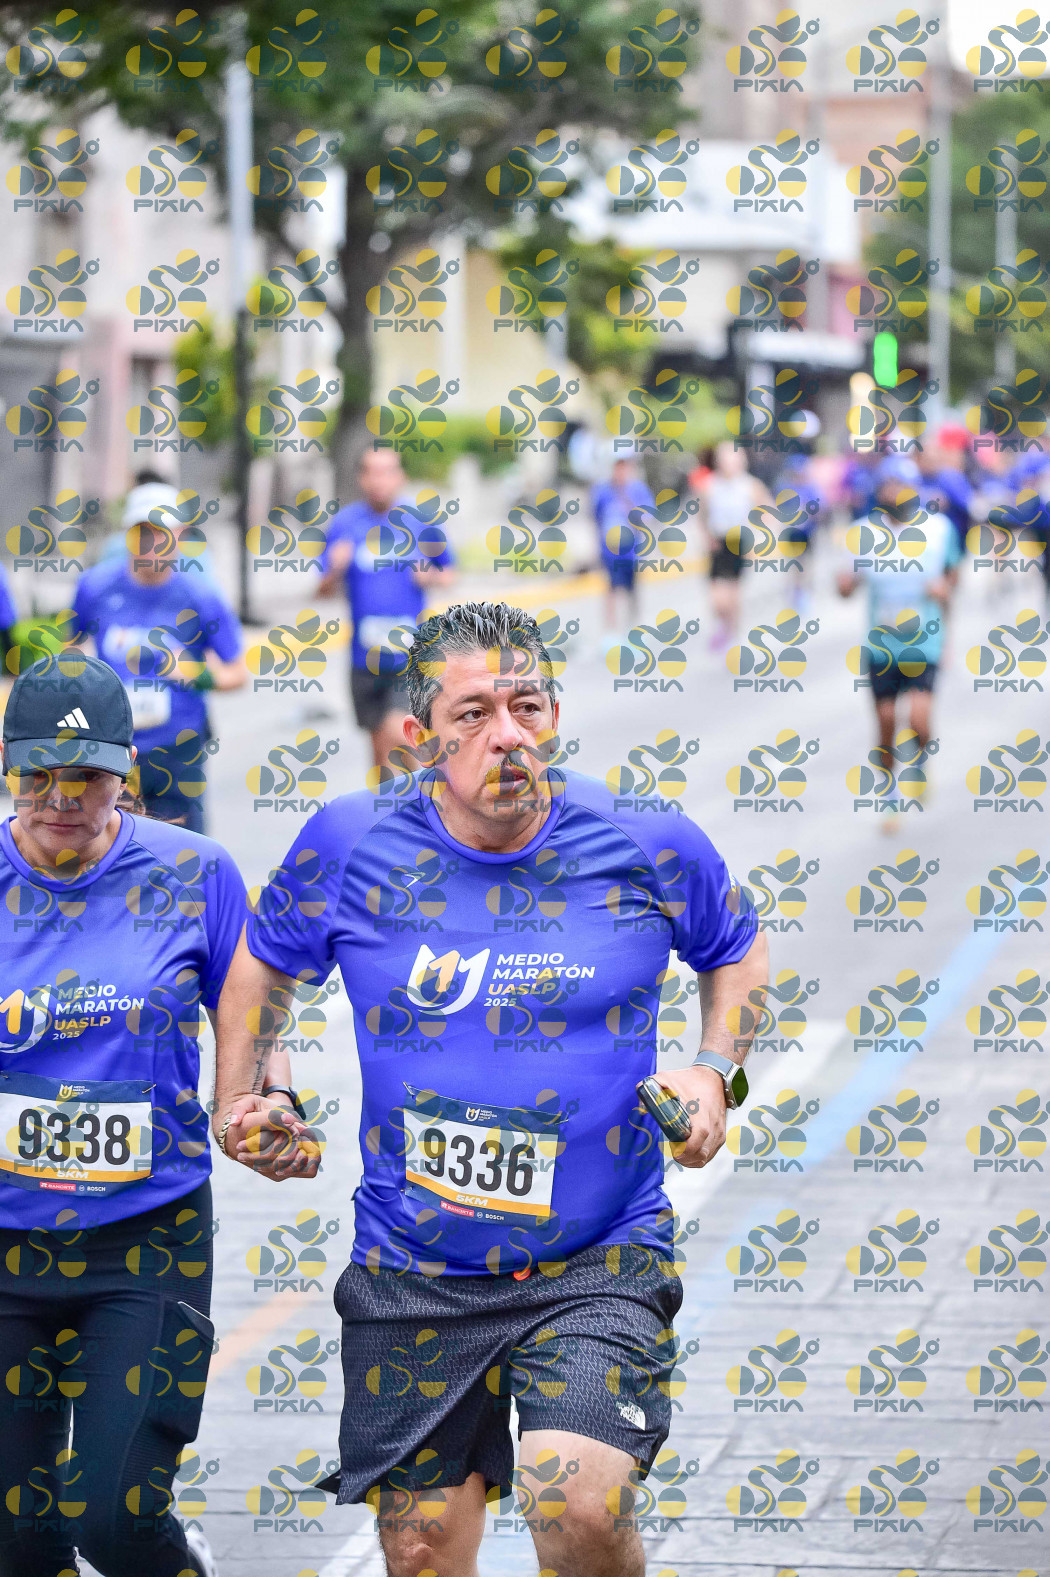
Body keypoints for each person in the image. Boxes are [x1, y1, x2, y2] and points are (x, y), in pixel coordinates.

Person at [214, 599, 767, 1577]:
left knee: (578, 1504)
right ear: (418, 735)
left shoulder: (646, 840)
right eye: (473, 713)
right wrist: (244, 1100)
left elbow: (736, 948)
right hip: (413, 1264)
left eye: (527, 705)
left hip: (597, 1253)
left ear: (554, 713)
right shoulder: (349, 843)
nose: (507, 733)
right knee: (421, 1550)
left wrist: (715, 1071)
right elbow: (262, 963)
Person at [0, 651, 308, 1577]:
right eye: (38, 774)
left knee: (115, 1517)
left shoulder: (192, 871)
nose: (62, 797)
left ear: (127, 770)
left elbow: (251, 1013)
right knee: (20, 1540)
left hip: (147, 1239)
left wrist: (265, 1101)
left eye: (87, 775)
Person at [69, 480, 247, 832]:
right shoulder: (95, 586)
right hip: (113, 747)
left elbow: (238, 673)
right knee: (112, 845)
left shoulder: (200, 595)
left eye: (161, 532)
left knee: (181, 849)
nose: (151, 542)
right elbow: (70, 647)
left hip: (177, 748)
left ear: (180, 535)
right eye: (142, 531)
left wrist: (199, 674)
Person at [837, 456, 961, 822]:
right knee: (887, 720)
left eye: (901, 486)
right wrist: (844, 585)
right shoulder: (863, 534)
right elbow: (846, 586)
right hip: (881, 647)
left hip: (924, 642)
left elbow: (952, 577)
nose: (894, 494)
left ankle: (920, 760)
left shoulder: (938, 530)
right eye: (888, 487)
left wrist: (944, 592)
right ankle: (889, 791)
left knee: (919, 722)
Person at [317, 450, 455, 771]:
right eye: (372, 472)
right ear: (362, 478)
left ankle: (424, 793)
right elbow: (322, 591)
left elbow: (450, 572)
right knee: (380, 752)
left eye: (387, 472)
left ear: (400, 477)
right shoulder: (345, 524)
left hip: (408, 655)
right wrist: (334, 570)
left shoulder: (420, 522)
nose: (379, 480)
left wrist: (431, 576)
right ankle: (403, 800)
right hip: (364, 657)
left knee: (399, 735)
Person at [694, 440, 770, 650]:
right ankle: (722, 624)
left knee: (734, 593)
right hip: (718, 541)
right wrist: (706, 536)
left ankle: (733, 635)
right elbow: (701, 514)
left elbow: (767, 509)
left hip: (740, 541)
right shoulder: (710, 485)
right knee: (717, 596)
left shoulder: (749, 485)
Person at [590, 456, 654, 642]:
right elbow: (596, 518)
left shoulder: (637, 490)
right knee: (611, 590)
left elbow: (648, 517)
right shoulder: (603, 491)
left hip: (631, 551)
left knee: (632, 591)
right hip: (610, 551)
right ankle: (611, 632)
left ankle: (632, 629)